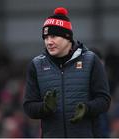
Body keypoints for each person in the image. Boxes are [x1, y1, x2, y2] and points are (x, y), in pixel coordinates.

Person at [23, 7, 111, 138]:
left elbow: (104, 101)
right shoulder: (36, 65)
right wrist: (45, 108)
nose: (49, 42)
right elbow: (28, 107)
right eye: (45, 37)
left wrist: (87, 108)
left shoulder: (91, 60)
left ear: (67, 36)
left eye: (53, 36)